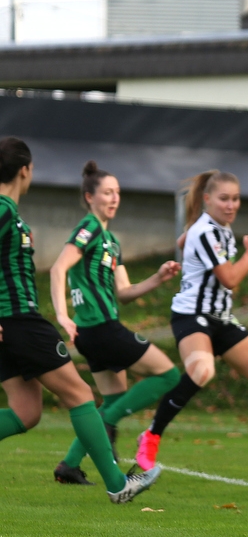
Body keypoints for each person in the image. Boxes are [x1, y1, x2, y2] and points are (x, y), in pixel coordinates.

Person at [0, 137, 160, 503]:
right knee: (80, 394)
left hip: (11, 323)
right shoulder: (4, 209)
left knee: (26, 412)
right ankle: (119, 485)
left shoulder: (9, 209)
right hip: (19, 320)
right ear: (25, 170)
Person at [134, 169, 248, 478]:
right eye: (224, 199)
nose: (231, 205)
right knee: (202, 371)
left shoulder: (218, 231)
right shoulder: (206, 232)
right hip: (191, 316)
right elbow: (230, 278)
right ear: (207, 200)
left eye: (235, 199)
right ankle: (150, 436)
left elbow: (186, 242)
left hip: (221, 319)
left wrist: (188, 247)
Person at [49, 161, 181, 485]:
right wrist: (62, 314)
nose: (114, 198)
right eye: (107, 192)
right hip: (100, 328)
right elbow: (57, 268)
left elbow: (124, 292)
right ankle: (107, 425)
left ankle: (69, 465)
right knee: (169, 374)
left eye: (117, 192)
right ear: (89, 196)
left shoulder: (112, 241)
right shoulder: (89, 228)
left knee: (113, 397)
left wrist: (158, 277)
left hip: (96, 332)